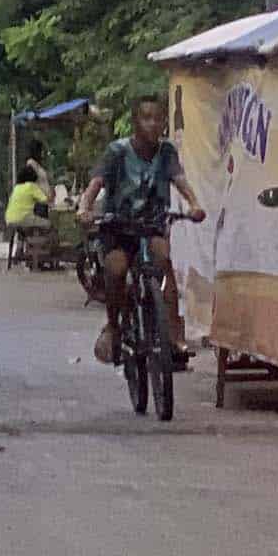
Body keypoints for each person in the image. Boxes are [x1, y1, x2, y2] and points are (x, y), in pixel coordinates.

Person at [77, 94, 206, 366]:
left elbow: (180, 180)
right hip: (118, 227)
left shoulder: (167, 152)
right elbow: (95, 184)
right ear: (135, 122)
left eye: (158, 118)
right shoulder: (117, 152)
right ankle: (114, 325)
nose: (153, 124)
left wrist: (194, 204)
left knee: (163, 262)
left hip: (152, 225)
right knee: (116, 269)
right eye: (146, 118)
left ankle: (171, 333)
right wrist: (85, 208)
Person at [3, 168, 52, 264]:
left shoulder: (17, 187)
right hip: (23, 218)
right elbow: (46, 200)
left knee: (23, 230)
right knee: (49, 225)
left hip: (9, 219)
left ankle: (19, 252)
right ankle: (40, 256)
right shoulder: (31, 186)